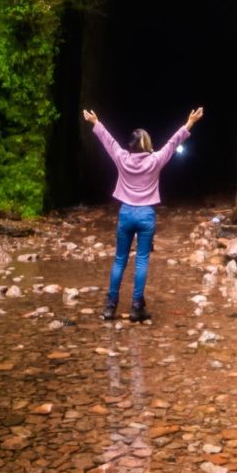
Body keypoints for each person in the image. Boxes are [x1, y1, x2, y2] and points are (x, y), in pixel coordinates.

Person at [82, 105, 204, 322]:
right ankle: (137, 307)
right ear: (147, 144)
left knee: (119, 260)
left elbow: (108, 142)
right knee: (141, 261)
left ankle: (110, 307)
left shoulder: (121, 158)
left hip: (126, 213)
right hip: (146, 215)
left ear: (130, 144)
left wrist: (95, 123)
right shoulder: (155, 160)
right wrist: (190, 123)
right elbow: (173, 142)